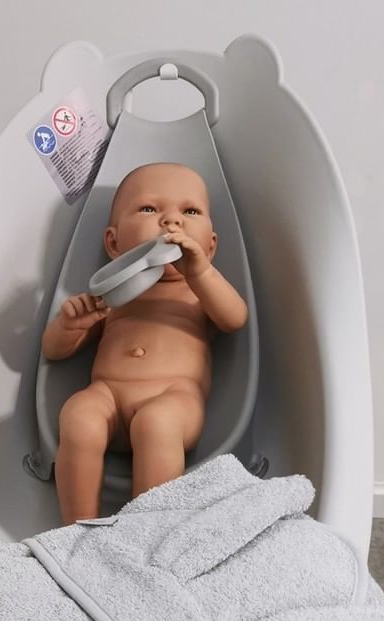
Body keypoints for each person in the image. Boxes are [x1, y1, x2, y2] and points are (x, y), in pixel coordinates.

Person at [41, 161, 249, 524]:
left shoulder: (198, 292)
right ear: (114, 243)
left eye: (190, 211)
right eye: (149, 209)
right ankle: (76, 529)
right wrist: (70, 324)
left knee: (157, 423)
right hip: (108, 393)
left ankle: (146, 531)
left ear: (210, 246)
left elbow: (235, 319)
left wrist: (201, 272)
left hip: (174, 397)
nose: (172, 221)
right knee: (79, 415)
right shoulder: (114, 293)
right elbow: (53, 351)